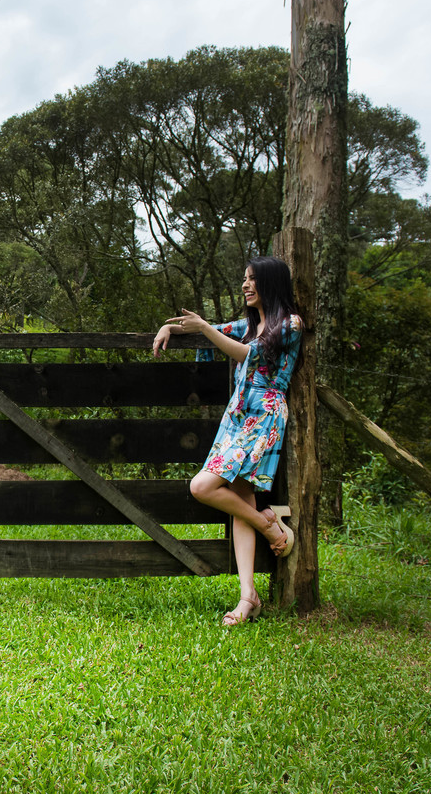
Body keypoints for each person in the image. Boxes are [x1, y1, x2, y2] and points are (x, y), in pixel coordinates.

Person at [152, 256, 303, 626]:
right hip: (237, 416)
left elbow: (248, 353)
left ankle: (268, 526)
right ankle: (248, 594)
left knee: (201, 486)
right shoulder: (248, 324)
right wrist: (169, 327)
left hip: (264, 414)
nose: (245, 285)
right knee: (241, 499)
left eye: (252, 279)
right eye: (244, 279)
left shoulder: (291, 323)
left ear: (270, 282)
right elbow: (210, 330)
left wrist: (204, 327)